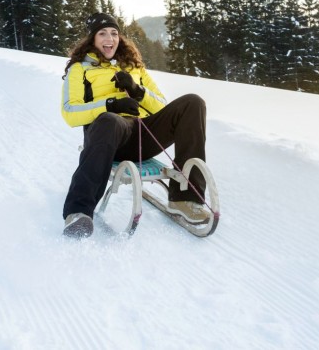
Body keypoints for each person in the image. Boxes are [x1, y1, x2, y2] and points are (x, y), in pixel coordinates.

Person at [60, 12, 209, 238]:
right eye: (102, 33)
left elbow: (162, 107)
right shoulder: (80, 69)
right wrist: (109, 105)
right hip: (108, 137)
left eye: (114, 33)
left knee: (192, 103)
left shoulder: (133, 66)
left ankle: (186, 199)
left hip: (142, 136)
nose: (109, 39)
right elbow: (70, 113)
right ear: (92, 38)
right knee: (110, 121)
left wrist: (138, 91)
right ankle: (79, 212)